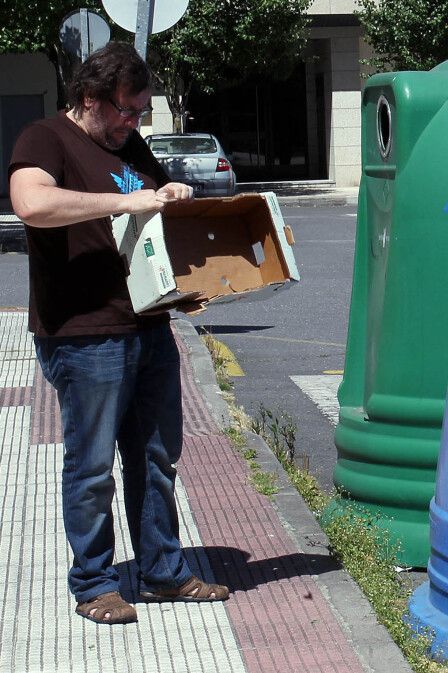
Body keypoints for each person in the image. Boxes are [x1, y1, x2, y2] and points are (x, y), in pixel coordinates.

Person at [7, 42, 230, 625]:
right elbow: (31, 203)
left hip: (148, 326)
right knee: (91, 465)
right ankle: (95, 582)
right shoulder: (44, 139)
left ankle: (162, 572)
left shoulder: (129, 144)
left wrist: (173, 194)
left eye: (140, 113)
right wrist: (121, 201)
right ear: (90, 99)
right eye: (126, 111)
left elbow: (152, 206)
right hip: (84, 334)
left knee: (157, 457)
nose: (134, 124)